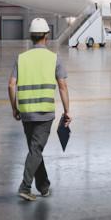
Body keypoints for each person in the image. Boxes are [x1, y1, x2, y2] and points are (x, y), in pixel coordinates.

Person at [8, 18, 72, 201]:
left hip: (26, 111)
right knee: (36, 150)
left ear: (31, 37)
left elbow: (11, 85)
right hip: (44, 113)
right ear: (46, 36)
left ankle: (43, 187)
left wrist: (14, 108)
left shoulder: (21, 58)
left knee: (35, 149)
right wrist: (67, 111)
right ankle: (25, 186)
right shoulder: (54, 58)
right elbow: (63, 86)